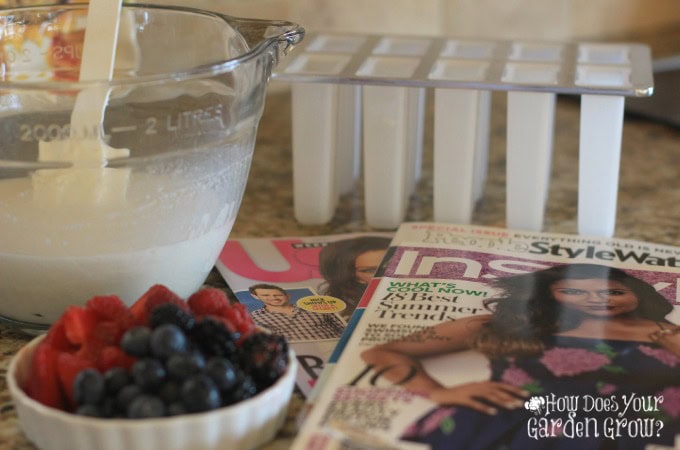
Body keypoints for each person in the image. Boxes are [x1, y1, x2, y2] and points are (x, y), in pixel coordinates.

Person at [361, 263, 680, 449]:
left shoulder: (668, 334)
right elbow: (382, 352)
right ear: (549, 295)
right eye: (574, 291)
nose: (597, 299)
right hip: (505, 428)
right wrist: (439, 392)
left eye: (613, 291)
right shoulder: (507, 324)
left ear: (636, 294)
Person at [318, 236, 391, 319]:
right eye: (371, 270)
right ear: (351, 276)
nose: (386, 274)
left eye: (391, 266)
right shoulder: (338, 313)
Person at [248, 283, 345, 342]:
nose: (273, 298)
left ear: (287, 296)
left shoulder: (315, 307)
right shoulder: (254, 317)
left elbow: (343, 327)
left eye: (278, 295)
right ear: (256, 296)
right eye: (266, 295)